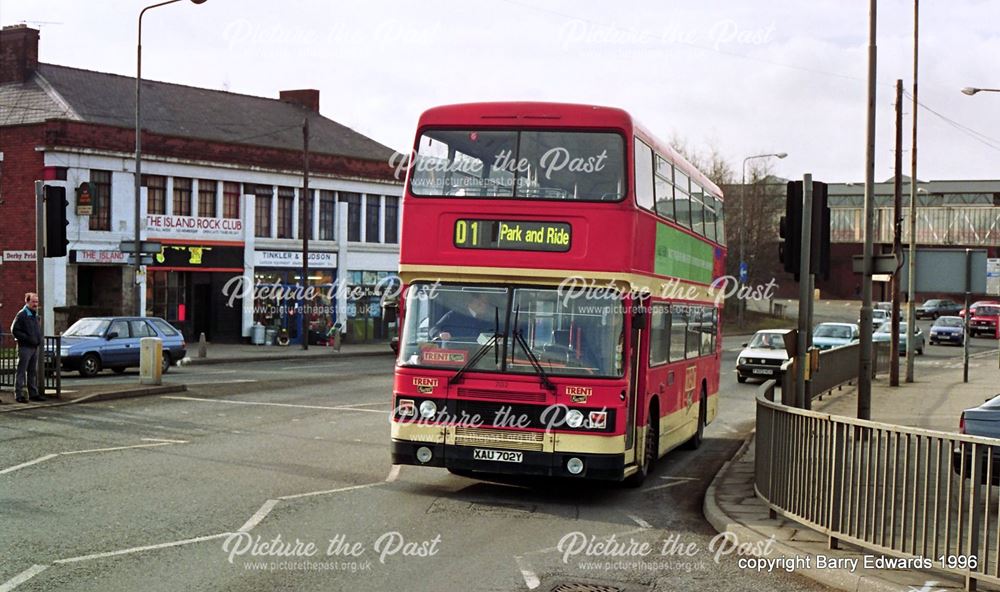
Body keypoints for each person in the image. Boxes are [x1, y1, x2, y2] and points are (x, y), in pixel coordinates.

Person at [10, 292, 47, 403]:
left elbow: (36, 331)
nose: (35, 304)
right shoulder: (22, 314)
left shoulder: (34, 315)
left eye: (36, 302)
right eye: (33, 302)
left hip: (33, 347)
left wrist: (38, 339)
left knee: (32, 371)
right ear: (27, 301)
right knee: (21, 371)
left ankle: (33, 393)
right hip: (25, 347)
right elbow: (14, 329)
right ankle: (19, 394)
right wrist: (27, 338)